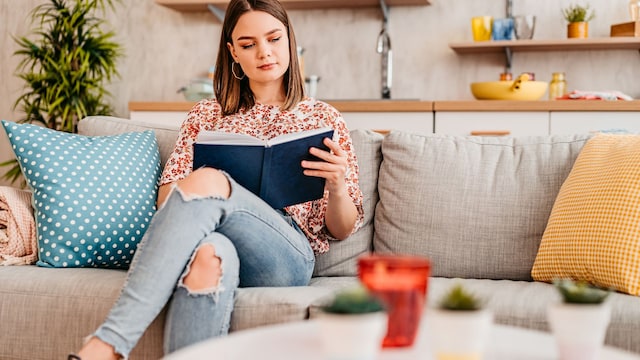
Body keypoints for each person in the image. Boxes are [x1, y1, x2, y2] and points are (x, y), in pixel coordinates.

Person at [71, 0, 364, 358]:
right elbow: (168, 200)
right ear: (232, 52)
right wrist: (214, 190)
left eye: (274, 39)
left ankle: (109, 345)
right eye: (248, 44)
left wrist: (336, 186)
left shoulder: (322, 117)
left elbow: (342, 229)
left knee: (209, 179)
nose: (264, 52)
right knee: (208, 257)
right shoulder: (206, 115)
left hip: (284, 255)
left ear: (290, 40)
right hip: (214, 237)